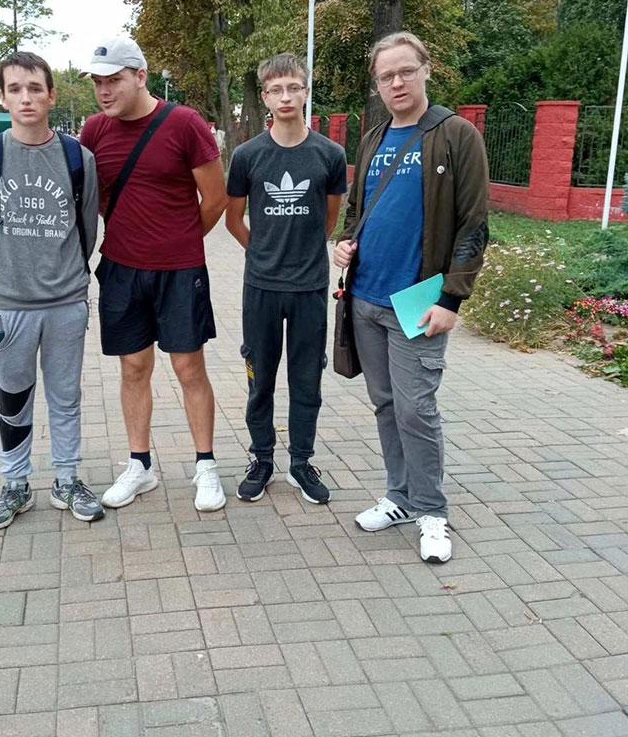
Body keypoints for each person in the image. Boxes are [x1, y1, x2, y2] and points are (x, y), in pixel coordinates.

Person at [333, 31, 489, 564]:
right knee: (385, 404)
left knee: (416, 409)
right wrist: (345, 243)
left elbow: (474, 224)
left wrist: (452, 299)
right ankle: (399, 496)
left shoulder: (455, 135)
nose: (396, 82)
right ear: (377, 84)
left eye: (405, 71)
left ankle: (432, 511)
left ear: (425, 70)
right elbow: (358, 209)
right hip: (365, 297)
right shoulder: (374, 137)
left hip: (418, 299)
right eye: (386, 76)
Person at [79, 34, 229, 512]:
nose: (104, 91)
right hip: (121, 269)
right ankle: (139, 465)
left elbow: (216, 198)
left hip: (180, 271)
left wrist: (179, 240)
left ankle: (205, 465)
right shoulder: (94, 131)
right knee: (133, 366)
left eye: (114, 80)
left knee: (188, 367)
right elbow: (92, 196)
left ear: (140, 76)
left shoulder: (184, 124)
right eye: (97, 82)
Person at [0, 51, 101, 530]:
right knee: (13, 397)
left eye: (35, 88)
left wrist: (69, 276)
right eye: (15, 89)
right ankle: (15, 484)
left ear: (51, 96)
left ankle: (67, 479)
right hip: (9, 304)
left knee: (65, 397)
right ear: (3, 98)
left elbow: (86, 229)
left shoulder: (77, 158)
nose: (26, 98)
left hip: (65, 302)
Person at [226, 53, 347, 505]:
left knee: (306, 379)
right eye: (276, 89)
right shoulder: (248, 156)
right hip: (261, 287)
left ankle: (301, 462)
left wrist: (305, 252)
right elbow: (233, 219)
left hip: (310, 287)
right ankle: (261, 458)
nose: (285, 97)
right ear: (265, 97)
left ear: (305, 92)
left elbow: (329, 219)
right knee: (260, 379)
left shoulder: (330, 154)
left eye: (293, 87)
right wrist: (260, 252)